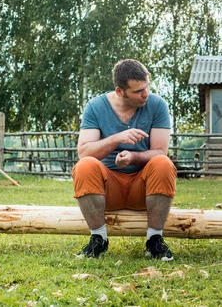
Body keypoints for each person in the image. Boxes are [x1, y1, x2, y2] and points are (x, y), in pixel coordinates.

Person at [72, 59, 176, 260]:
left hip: (144, 188)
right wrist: (116, 139)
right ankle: (98, 240)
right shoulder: (95, 107)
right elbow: (84, 152)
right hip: (107, 189)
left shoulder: (157, 105)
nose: (145, 94)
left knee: (163, 163)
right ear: (120, 91)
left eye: (147, 87)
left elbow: (161, 150)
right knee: (84, 165)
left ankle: (154, 240)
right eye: (138, 91)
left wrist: (134, 156)